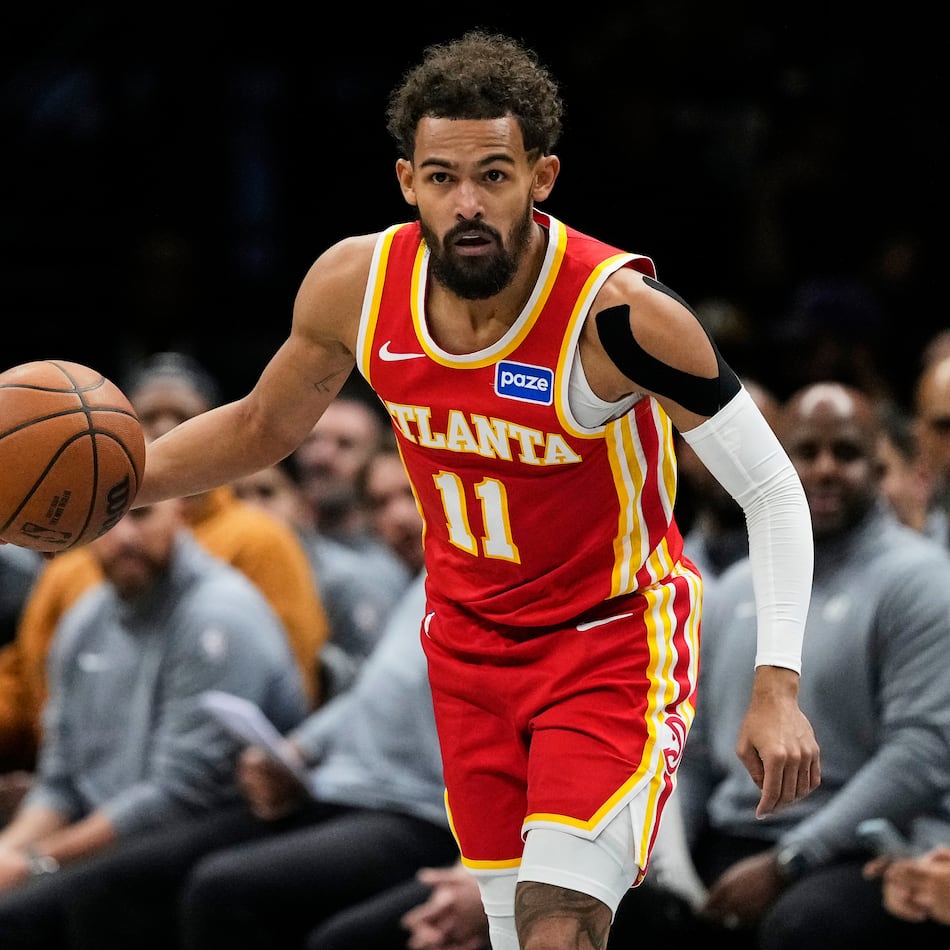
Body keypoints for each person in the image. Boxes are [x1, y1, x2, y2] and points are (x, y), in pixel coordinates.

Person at [131, 31, 819, 948]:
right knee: (509, 935)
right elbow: (261, 426)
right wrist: (121, 485)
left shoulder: (618, 319)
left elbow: (773, 489)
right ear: (407, 181)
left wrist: (776, 683)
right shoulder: (355, 286)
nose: (468, 203)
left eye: (494, 175)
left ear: (542, 176)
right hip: (465, 652)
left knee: (557, 920)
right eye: (444, 177)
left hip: (607, 643)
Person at [613, 381, 950, 948]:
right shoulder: (730, 591)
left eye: (845, 453)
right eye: (805, 452)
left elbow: (920, 755)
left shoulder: (921, 581)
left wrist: (790, 861)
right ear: (777, 459)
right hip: (731, 832)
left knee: (801, 928)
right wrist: (666, 864)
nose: (824, 469)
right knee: (623, 908)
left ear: (878, 463)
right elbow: (689, 756)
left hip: (854, 848)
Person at [0, 354, 331, 779]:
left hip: (216, 775)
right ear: (111, 426)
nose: (163, 428)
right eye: (149, 415)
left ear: (215, 425)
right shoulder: (71, 552)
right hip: (79, 774)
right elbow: (27, 683)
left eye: (183, 416)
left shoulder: (259, 538)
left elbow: (289, 678)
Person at [0, 497, 309, 947]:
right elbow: (60, 781)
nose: (124, 537)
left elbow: (179, 793)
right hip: (107, 829)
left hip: (216, 823)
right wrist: (10, 849)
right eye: (108, 520)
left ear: (180, 513)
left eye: (142, 515)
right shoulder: (83, 620)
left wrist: (36, 861)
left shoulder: (218, 614)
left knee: (32, 912)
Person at [231, 446, 414, 698]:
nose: (252, 510)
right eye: (238, 497)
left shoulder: (347, 582)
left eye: (267, 493)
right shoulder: (236, 578)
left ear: (303, 504)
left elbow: (383, 687)